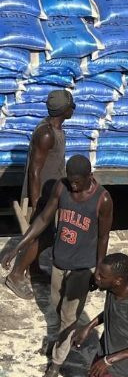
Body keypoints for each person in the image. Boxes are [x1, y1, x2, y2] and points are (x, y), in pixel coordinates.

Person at [1, 155, 113, 377]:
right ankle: (60, 342)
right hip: (59, 262)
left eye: (78, 182)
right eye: (70, 180)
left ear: (90, 177)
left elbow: (103, 236)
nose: (74, 186)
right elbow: (43, 218)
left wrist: (99, 269)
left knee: (69, 318)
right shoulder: (61, 188)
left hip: (82, 268)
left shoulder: (102, 199)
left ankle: (56, 364)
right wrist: (17, 249)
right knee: (58, 307)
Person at [4, 89, 74, 300]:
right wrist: (36, 205)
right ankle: (16, 275)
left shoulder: (56, 129)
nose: (73, 109)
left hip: (51, 191)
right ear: (65, 110)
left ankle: (33, 270)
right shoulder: (46, 134)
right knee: (44, 235)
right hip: (42, 195)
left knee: (44, 235)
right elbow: (34, 172)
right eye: (71, 105)